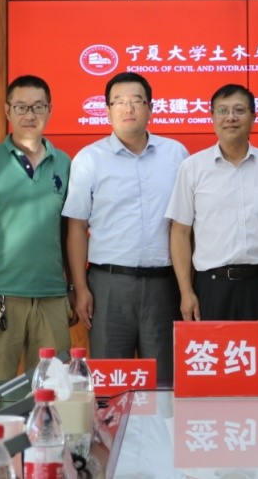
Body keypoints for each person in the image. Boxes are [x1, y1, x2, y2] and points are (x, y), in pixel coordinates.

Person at [62, 72, 188, 383]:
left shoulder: (176, 155)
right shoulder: (89, 159)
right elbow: (76, 227)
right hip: (108, 286)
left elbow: (186, 225)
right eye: (118, 101)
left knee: (164, 383)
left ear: (150, 108)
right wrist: (80, 288)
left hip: (163, 286)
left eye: (136, 101)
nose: (128, 108)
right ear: (107, 110)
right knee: (108, 384)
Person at [0, 75, 73, 381]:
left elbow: (69, 232)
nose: (30, 115)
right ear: (7, 110)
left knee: (54, 391)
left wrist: (73, 288)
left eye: (38, 107)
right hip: (0, 296)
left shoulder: (64, 163)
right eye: (21, 107)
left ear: (49, 110)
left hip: (52, 296)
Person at [167, 84, 258, 322]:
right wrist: (186, 292)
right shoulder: (192, 168)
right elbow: (180, 232)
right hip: (211, 288)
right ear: (212, 117)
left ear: (253, 118)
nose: (230, 117)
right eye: (222, 111)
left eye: (239, 110)